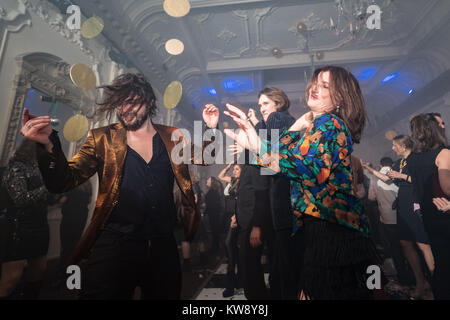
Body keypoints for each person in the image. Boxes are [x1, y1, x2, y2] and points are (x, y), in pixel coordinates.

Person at [20, 73, 219, 300]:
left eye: (132, 102)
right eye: (120, 104)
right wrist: (48, 144)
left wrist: (211, 128)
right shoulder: (102, 139)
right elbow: (64, 180)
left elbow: (206, 156)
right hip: (114, 244)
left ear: (150, 102)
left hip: (162, 244)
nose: (125, 109)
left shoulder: (173, 137)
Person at [224, 65, 382, 300]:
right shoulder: (316, 126)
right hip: (324, 227)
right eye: (316, 83)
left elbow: (305, 168)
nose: (316, 88)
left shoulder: (330, 123)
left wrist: (257, 145)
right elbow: (282, 156)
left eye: (326, 86)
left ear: (340, 97)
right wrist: (288, 128)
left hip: (333, 230)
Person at [248, 87, 297, 300]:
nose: (262, 109)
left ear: (278, 103)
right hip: (287, 202)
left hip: (285, 204)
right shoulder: (282, 120)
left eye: (265, 104)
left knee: (288, 270)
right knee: (284, 265)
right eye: (260, 105)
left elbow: (270, 164)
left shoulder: (277, 118)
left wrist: (250, 134)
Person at [0, 139, 51, 300]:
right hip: (19, 227)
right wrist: (47, 187)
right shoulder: (16, 167)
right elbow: (20, 199)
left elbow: (48, 199)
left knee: (39, 272)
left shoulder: (42, 170)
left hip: (40, 226)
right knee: (12, 279)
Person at [408, 113, 450, 299]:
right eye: (440, 125)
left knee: (441, 263)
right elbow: (447, 187)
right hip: (445, 212)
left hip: (430, 216)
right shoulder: (444, 153)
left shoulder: (412, 159)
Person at [363, 157, 413, 287]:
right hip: (403, 216)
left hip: (386, 218)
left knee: (395, 249)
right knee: (410, 247)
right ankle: (415, 275)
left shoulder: (375, 178)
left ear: (380, 165)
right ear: (392, 164)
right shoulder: (397, 175)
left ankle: (403, 278)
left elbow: (371, 197)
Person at [218, 163, 242, 297]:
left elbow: (242, 201)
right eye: (234, 169)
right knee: (233, 248)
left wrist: (236, 216)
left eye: (237, 169)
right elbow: (220, 176)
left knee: (229, 244)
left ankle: (231, 285)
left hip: (237, 217)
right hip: (230, 216)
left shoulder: (243, 183)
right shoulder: (233, 180)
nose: (234, 171)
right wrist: (228, 167)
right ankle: (235, 281)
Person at [204, 176, 224, 254]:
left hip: (214, 214)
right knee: (215, 231)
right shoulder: (213, 191)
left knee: (215, 231)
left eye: (208, 180)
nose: (207, 181)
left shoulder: (212, 192)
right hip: (214, 214)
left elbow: (212, 204)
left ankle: (215, 248)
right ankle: (215, 247)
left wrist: (206, 210)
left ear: (212, 182)